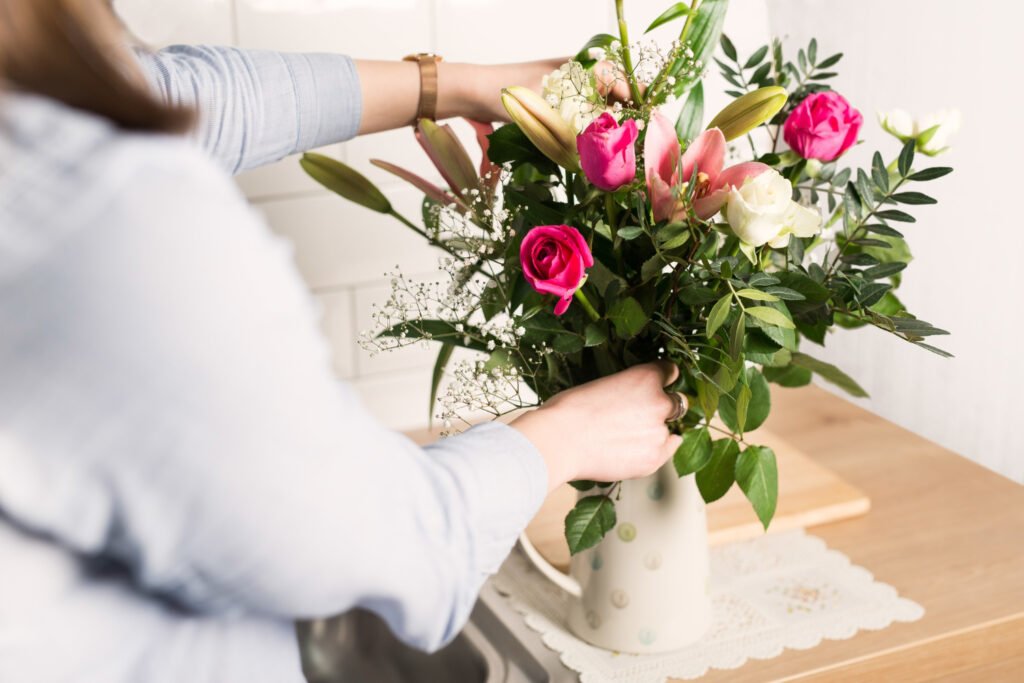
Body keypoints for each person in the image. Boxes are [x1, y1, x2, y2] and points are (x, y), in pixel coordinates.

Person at [0, 1, 685, 680]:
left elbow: (179, 95)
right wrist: (566, 435)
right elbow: (391, 551)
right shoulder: (101, 217)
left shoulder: (41, 148)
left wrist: (464, 85)